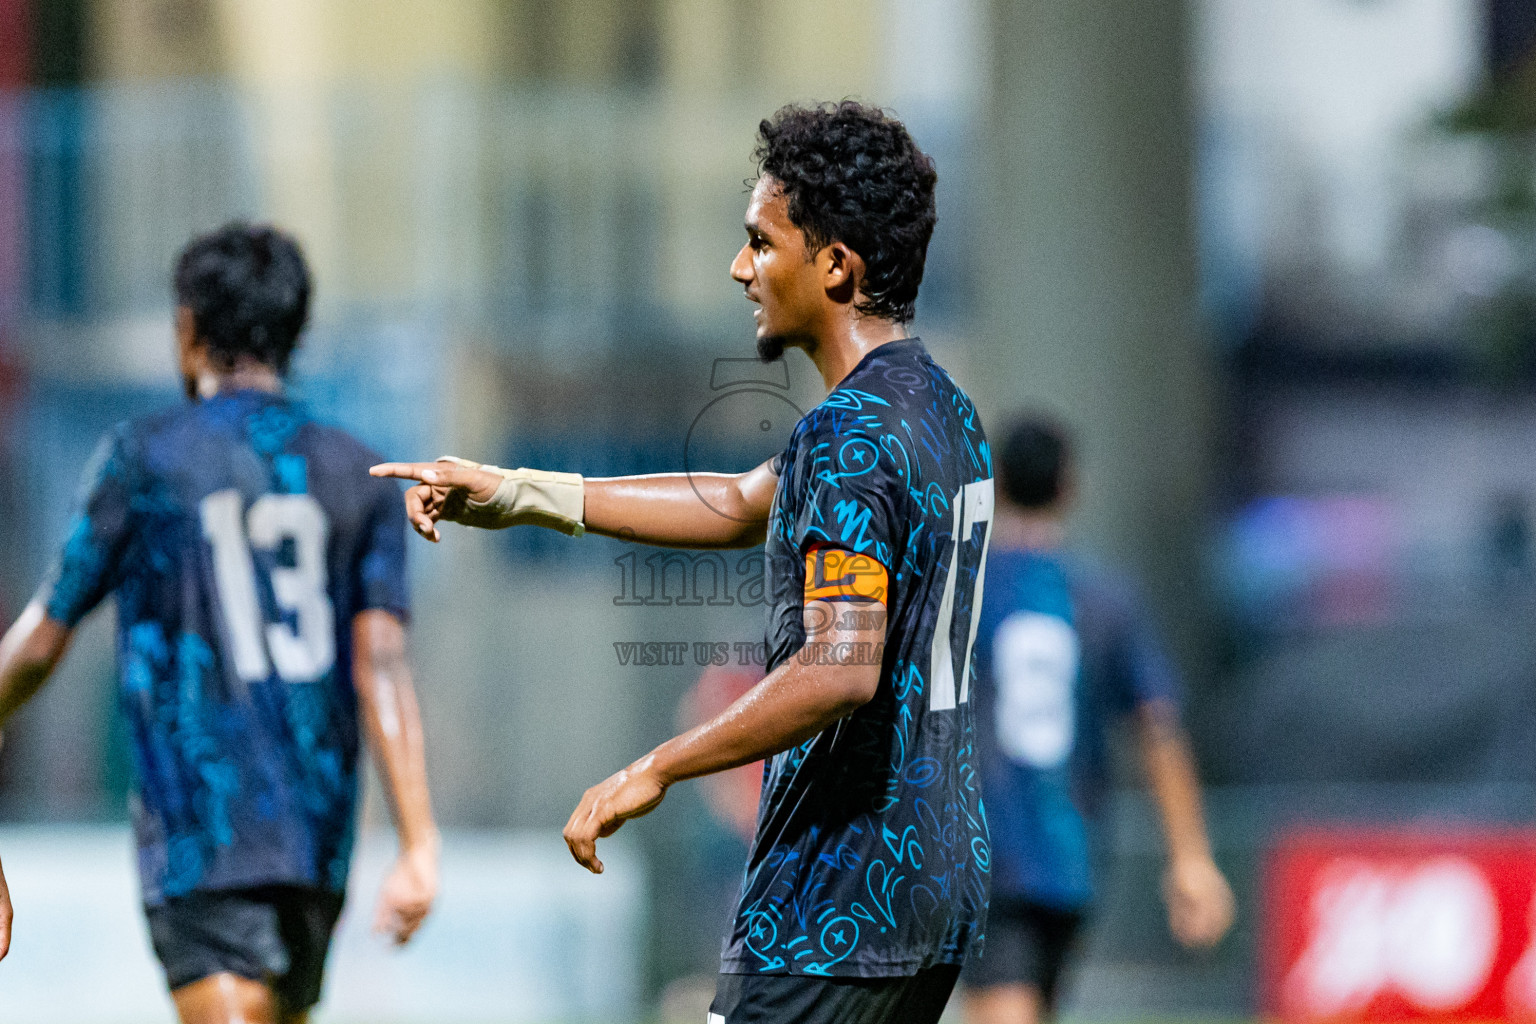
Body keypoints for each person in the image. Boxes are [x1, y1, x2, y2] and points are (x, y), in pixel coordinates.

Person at [373, 101, 991, 1024]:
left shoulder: (849, 432)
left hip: (834, 896)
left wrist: (657, 767)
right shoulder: (942, 410)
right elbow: (742, 502)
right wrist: (516, 493)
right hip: (930, 879)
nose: (742, 268)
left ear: (835, 265)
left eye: (761, 243)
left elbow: (839, 666)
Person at [0, 223, 438, 1023]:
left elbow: (36, 645)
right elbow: (382, 665)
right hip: (317, 838)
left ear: (188, 327)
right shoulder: (361, 472)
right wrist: (419, 841)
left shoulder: (145, 460)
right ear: (294, 333)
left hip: (202, 826)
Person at [960, 416, 1235, 1024]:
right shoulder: (1105, 598)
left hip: (986, 852)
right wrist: (1190, 858)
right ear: (1070, 488)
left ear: (997, 484)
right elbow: (1158, 727)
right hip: (1071, 856)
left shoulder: (964, 594)